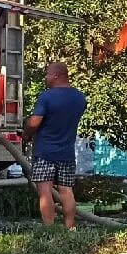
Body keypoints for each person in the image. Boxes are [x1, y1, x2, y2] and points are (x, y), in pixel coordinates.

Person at [24, 62, 88, 230]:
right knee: (66, 190)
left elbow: (35, 122)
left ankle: (50, 230)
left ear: (57, 75)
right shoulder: (80, 98)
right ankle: (70, 228)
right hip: (66, 152)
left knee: (45, 192)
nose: (45, 78)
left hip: (45, 152)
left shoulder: (47, 97)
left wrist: (26, 132)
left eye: (47, 74)